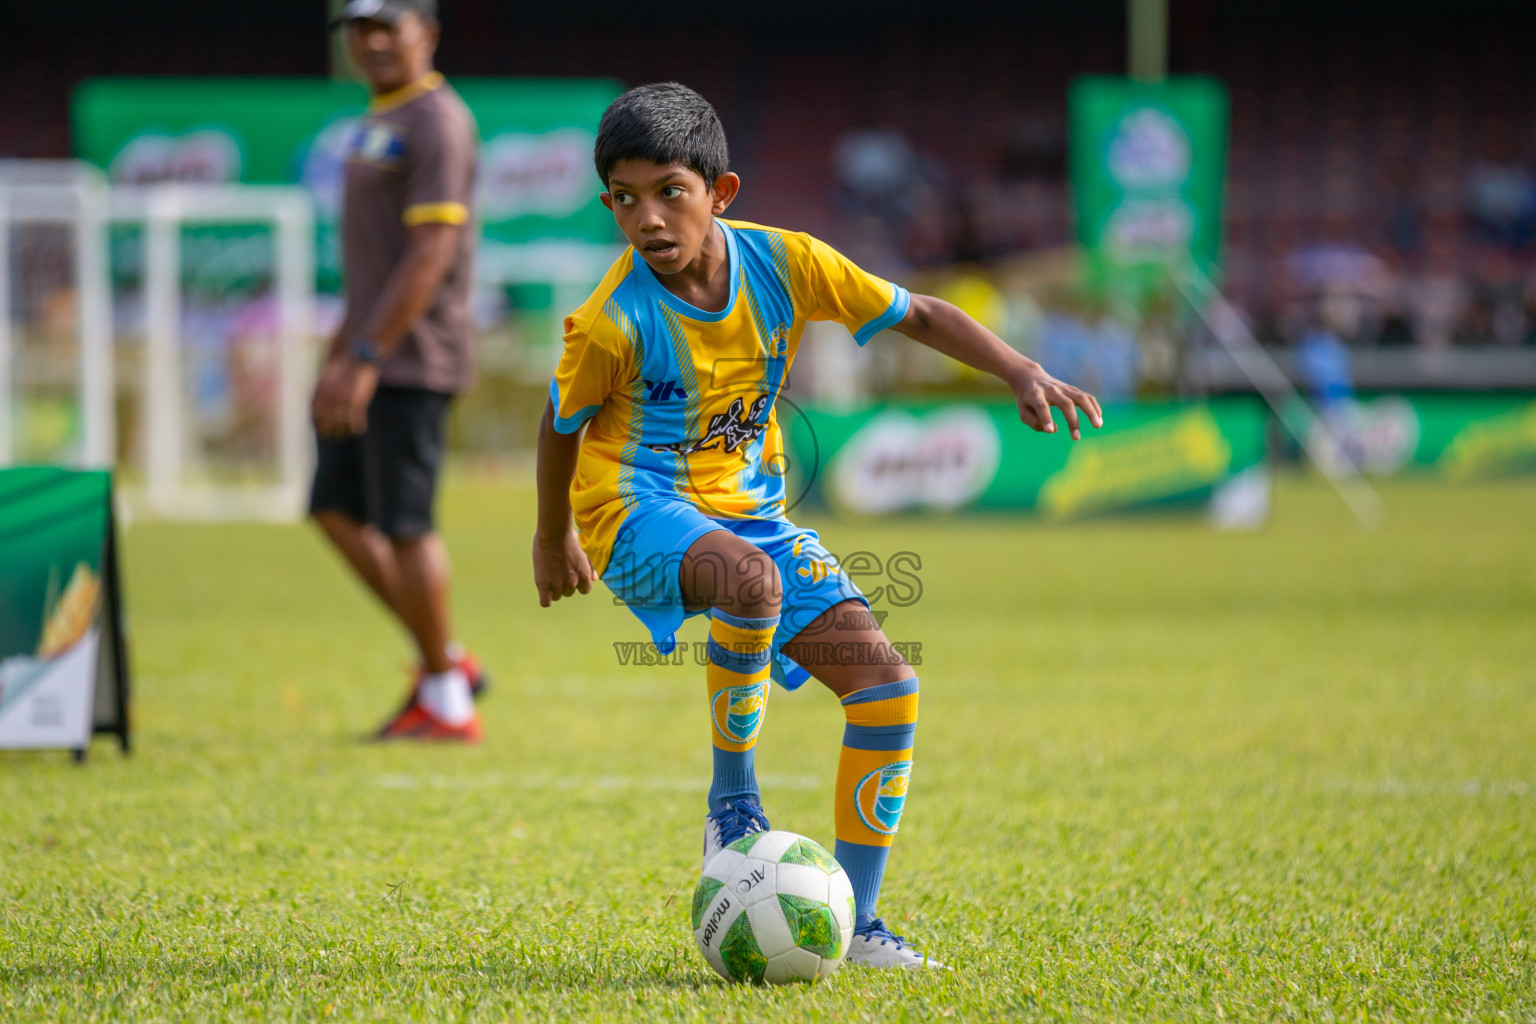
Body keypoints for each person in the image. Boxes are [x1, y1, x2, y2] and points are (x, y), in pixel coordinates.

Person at [532, 84, 1101, 968]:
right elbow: (560, 421)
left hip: (749, 509)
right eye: (624, 198)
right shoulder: (613, 320)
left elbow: (920, 313)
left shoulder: (787, 263)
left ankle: (858, 923)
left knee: (889, 691)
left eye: (668, 191)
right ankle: (732, 802)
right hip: (630, 508)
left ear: (720, 192)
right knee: (749, 585)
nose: (647, 217)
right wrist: (550, 536)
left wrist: (1022, 369)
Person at [311, 0, 486, 742]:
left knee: (407, 526)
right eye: (360, 30)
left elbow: (429, 256)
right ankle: (445, 657)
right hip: (369, 352)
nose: (373, 42)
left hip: (413, 359)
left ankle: (446, 700)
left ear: (429, 34)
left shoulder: (437, 121)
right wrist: (339, 350)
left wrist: (365, 357)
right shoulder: (381, 117)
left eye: (389, 27)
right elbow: (376, 260)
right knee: (336, 509)